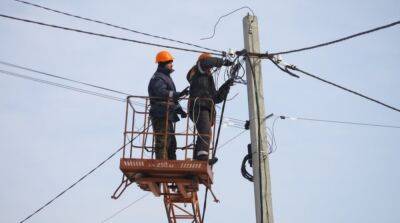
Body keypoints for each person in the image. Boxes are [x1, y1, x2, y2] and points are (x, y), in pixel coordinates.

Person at [186, 53, 234, 164]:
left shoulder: (208, 78)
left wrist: (226, 86)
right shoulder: (198, 71)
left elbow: (216, 98)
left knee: (204, 132)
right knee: (205, 131)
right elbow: (207, 62)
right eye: (210, 65)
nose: (211, 68)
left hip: (205, 106)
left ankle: (198, 157)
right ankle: (202, 158)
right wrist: (224, 62)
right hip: (199, 106)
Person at [148, 50, 188, 160]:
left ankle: (171, 162)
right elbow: (161, 93)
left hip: (166, 114)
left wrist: (180, 110)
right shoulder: (158, 78)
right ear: (163, 63)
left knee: (171, 143)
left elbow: (171, 99)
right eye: (170, 62)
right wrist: (177, 94)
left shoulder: (166, 78)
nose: (172, 64)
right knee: (163, 141)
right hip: (160, 114)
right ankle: (162, 162)